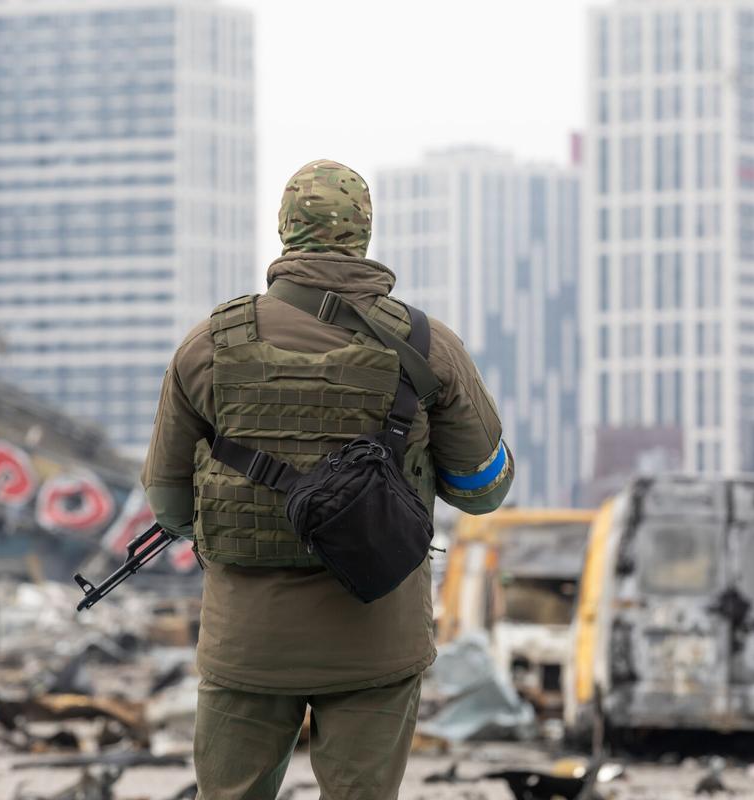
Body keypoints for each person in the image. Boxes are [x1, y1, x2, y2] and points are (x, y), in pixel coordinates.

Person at [142, 159, 513, 800]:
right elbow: (482, 491)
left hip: (245, 645)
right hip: (379, 640)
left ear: (285, 229)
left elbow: (168, 503)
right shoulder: (429, 346)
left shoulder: (208, 345)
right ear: (365, 232)